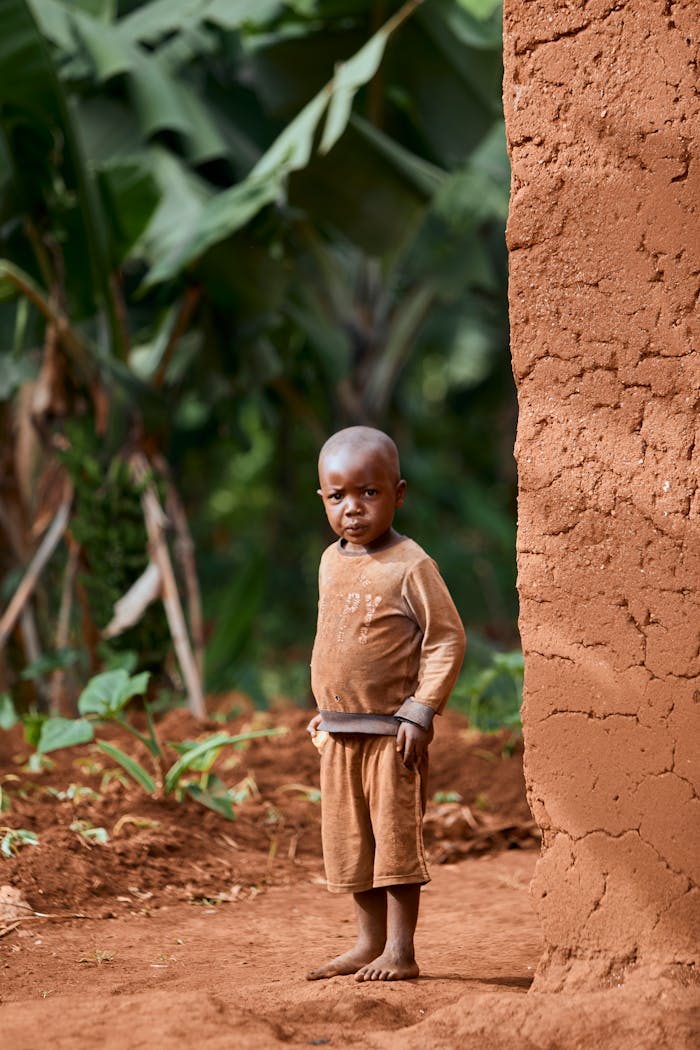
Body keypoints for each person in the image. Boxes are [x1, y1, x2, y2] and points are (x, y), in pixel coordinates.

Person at [306, 425, 466, 982]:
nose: (353, 508)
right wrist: (326, 705)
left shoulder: (411, 564)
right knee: (353, 845)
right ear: (322, 499)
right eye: (338, 496)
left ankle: (401, 949)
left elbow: (446, 637)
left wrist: (422, 710)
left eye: (368, 493)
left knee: (394, 846)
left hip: (391, 735)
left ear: (398, 493)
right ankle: (367, 942)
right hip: (340, 732)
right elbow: (335, 638)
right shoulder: (330, 560)